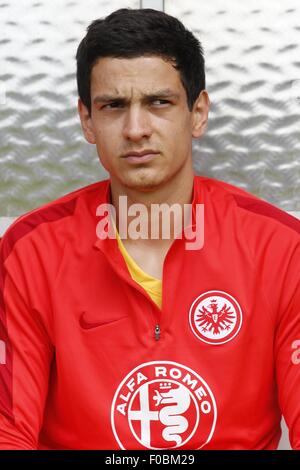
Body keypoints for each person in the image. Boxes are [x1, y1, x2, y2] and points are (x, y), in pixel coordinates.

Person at [0, 7, 299, 451]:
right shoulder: (31, 251)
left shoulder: (281, 249)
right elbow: (9, 431)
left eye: (158, 102)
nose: (136, 129)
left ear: (198, 113)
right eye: (114, 106)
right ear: (87, 120)